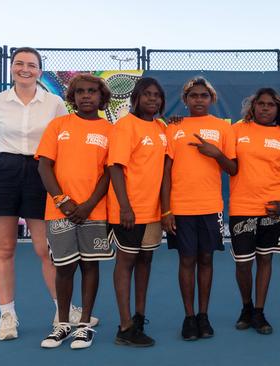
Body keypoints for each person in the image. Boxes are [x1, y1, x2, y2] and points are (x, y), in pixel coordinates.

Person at [0, 47, 93, 341]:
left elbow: (65, 141)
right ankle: (7, 316)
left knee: (46, 249)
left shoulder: (55, 103)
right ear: (12, 68)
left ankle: (63, 312)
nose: (25, 69)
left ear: (39, 70)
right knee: (3, 248)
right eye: (19, 64)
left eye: (32, 65)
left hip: (40, 173)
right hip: (4, 172)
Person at [35, 74, 114, 349]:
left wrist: (89, 204)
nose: (86, 96)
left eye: (92, 91)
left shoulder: (109, 130)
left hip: (94, 211)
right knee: (64, 267)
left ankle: (84, 326)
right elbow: (44, 166)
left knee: (90, 265)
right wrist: (62, 200)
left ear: (101, 97)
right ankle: (63, 324)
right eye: (80, 91)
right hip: (60, 212)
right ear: (72, 97)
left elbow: (108, 173)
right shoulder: (58, 125)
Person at [161, 77, 236, 341]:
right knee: (186, 260)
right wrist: (166, 210)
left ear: (212, 99)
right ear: (185, 100)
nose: (199, 100)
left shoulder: (223, 128)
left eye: (204, 95)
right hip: (180, 208)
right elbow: (166, 172)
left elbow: (233, 168)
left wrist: (215, 153)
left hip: (210, 206)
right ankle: (189, 317)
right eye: (193, 96)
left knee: (206, 259)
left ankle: (204, 316)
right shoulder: (173, 127)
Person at [229, 88, 280, 335]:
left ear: (278, 109)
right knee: (242, 264)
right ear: (253, 106)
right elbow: (229, 164)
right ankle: (246, 307)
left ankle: (259, 311)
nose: (265, 108)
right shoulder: (237, 131)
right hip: (241, 208)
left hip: (272, 210)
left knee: (265, 259)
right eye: (260, 103)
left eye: (270, 104)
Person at [108, 77, 167, 347]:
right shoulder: (125, 125)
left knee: (145, 262)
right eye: (147, 95)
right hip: (129, 211)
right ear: (136, 98)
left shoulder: (161, 127)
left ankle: (139, 318)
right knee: (126, 263)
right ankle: (124, 326)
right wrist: (125, 206)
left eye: (157, 95)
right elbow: (115, 167)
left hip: (152, 212)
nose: (152, 99)